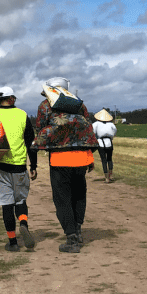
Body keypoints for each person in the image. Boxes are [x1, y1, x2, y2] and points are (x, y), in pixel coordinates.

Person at [33, 76, 99, 254]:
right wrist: (90, 157)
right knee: (78, 195)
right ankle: (78, 230)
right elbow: (86, 128)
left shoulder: (46, 105)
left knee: (62, 198)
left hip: (59, 159)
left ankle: (71, 239)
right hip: (81, 158)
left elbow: (40, 128)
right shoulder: (79, 105)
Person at [0, 86, 39, 252]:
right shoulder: (22, 114)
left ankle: (12, 242)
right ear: (11, 98)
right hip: (19, 167)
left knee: (7, 204)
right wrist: (33, 165)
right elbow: (31, 143)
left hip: (0, 167)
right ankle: (24, 223)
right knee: (20, 200)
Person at [91, 108, 117, 183]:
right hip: (109, 142)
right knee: (110, 159)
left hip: (100, 143)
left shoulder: (95, 124)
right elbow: (115, 131)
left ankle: (106, 178)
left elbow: (93, 133)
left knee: (103, 160)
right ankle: (111, 175)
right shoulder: (111, 124)